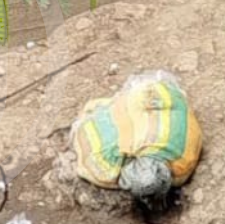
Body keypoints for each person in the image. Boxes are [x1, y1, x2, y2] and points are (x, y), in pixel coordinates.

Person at [69, 70, 202, 211]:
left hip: (155, 96)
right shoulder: (181, 166)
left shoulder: (181, 168)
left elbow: (93, 169)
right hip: (155, 97)